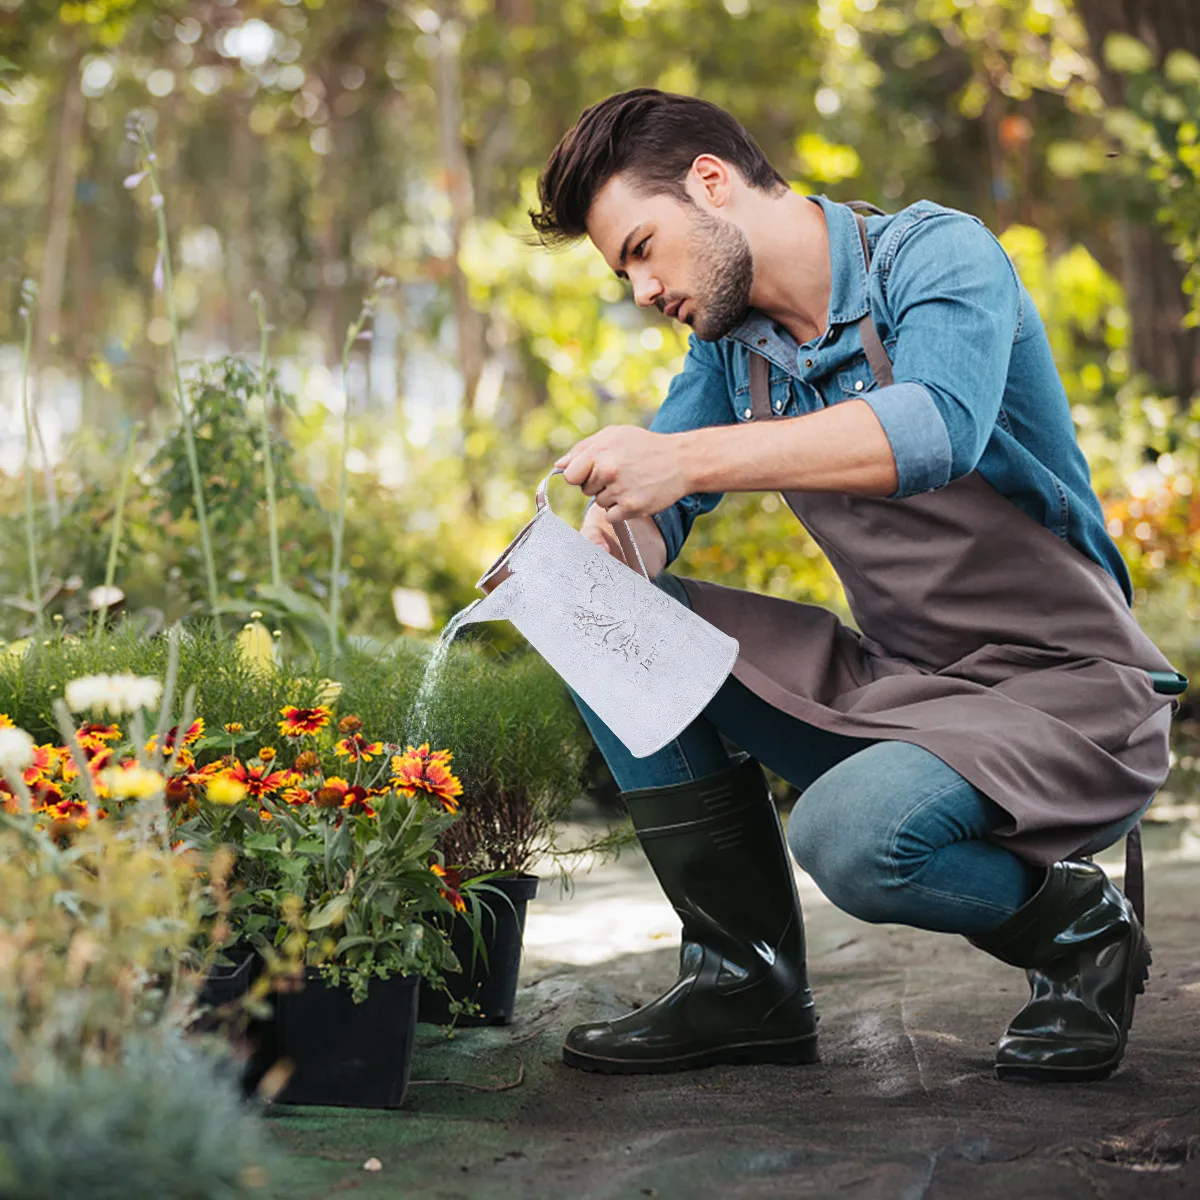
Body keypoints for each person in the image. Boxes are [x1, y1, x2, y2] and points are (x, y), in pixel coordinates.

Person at [529, 88, 1177, 1083]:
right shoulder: (731, 349)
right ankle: (746, 982)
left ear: (712, 182)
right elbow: (656, 506)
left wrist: (690, 462)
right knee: (595, 614)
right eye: (626, 267)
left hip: (1064, 689)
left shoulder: (934, 257)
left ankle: (1081, 928)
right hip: (905, 684)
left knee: (853, 836)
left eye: (642, 247)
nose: (642, 287)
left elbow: (935, 429)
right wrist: (616, 546)